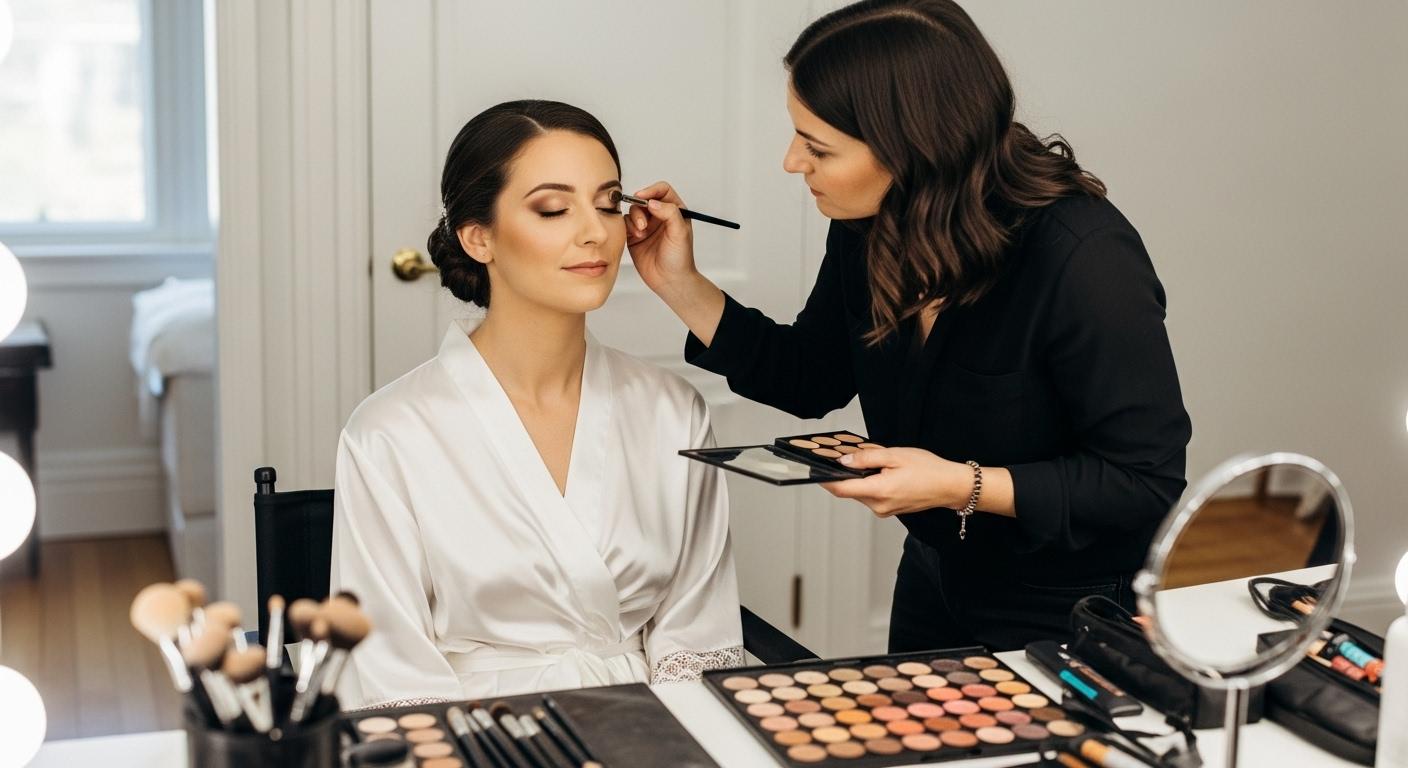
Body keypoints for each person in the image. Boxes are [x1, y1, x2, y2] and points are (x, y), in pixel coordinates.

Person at [625, 0, 1192, 651]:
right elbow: (811, 376)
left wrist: (959, 484)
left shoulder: (1083, 259)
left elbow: (1143, 483)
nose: (791, 162)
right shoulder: (869, 226)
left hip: (1067, 600)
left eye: (817, 147)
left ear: (912, 148)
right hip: (934, 572)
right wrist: (680, 283)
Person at [331, 100, 743, 707]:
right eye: (553, 209)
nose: (595, 231)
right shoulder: (389, 433)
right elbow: (391, 669)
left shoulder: (673, 412)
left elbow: (696, 634)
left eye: (609, 203)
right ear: (479, 238)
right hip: (475, 732)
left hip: (654, 724)